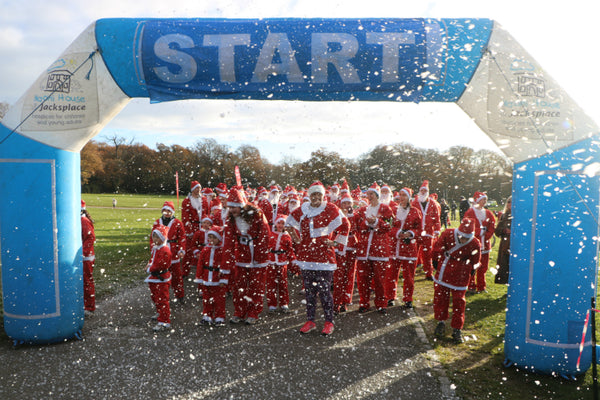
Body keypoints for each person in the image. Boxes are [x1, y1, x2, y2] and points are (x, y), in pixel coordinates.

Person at [285, 181, 350, 336]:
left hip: (324, 256)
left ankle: (329, 321)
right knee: (309, 291)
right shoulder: (303, 209)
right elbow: (288, 223)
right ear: (309, 195)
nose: (315, 197)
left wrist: (335, 242)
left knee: (325, 291)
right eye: (313, 194)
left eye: (318, 194)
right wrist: (296, 238)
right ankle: (310, 320)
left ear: (322, 195)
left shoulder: (330, 208)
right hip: (306, 256)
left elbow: (345, 225)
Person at [222, 187, 272, 325]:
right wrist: (227, 261)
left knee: (256, 285)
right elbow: (229, 240)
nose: (232, 210)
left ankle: (254, 312)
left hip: (257, 254)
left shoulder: (257, 214)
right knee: (240, 285)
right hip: (242, 255)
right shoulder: (231, 219)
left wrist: (259, 255)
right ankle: (239, 311)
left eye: (234, 207)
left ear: (241, 206)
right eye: (230, 207)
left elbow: (265, 234)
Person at [432, 218, 481, 343]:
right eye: (462, 237)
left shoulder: (475, 243)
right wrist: (436, 261)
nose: (463, 240)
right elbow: (437, 248)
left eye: (466, 238)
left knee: (459, 302)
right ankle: (441, 321)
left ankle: (457, 328)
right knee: (441, 297)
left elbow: (476, 260)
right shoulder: (448, 234)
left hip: (462, 272)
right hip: (445, 268)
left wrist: (471, 271)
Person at [355, 182, 394, 314]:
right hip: (364, 248)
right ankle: (364, 302)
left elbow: (389, 226)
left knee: (380, 279)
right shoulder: (362, 210)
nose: (369, 196)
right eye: (368, 194)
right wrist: (367, 223)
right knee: (363, 278)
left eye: (372, 194)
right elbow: (358, 226)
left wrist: (377, 222)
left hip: (379, 249)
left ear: (377, 195)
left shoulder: (385, 209)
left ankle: (381, 304)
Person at [389, 188, 422, 309]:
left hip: (409, 248)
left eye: (404, 195)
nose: (401, 198)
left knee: (409, 275)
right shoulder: (393, 211)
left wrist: (410, 233)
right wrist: (397, 232)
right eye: (400, 195)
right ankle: (390, 296)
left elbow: (419, 229)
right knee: (392, 273)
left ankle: (408, 298)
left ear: (409, 197)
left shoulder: (415, 212)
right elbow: (388, 227)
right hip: (394, 247)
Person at [151, 201, 187, 304]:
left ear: (172, 212)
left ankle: (179, 295)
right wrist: (153, 248)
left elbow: (182, 237)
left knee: (176, 275)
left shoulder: (177, 223)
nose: (167, 213)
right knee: (161, 273)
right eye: (165, 211)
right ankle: (162, 296)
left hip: (173, 251)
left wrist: (181, 249)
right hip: (160, 251)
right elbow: (152, 237)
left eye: (169, 211)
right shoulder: (157, 222)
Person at [194, 225, 228, 327]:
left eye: (214, 237)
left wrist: (224, 279)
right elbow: (200, 264)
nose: (212, 240)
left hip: (217, 279)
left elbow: (225, 266)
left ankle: (219, 317)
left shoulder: (222, 251)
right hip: (206, 279)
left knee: (219, 300)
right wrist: (199, 277)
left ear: (219, 238)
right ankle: (207, 316)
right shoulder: (205, 249)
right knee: (206, 299)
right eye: (210, 237)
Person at [464, 191, 496, 293]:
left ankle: (481, 286)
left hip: (485, 244)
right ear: (477, 200)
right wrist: (479, 231)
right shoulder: (470, 212)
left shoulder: (488, 213)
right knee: (472, 265)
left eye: (485, 200)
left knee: (484, 266)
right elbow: (466, 225)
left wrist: (486, 235)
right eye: (483, 199)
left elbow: (492, 226)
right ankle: (471, 285)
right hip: (473, 244)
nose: (484, 202)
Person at [333, 193, 358, 314]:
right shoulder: (337, 215)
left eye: (349, 203)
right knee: (339, 274)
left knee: (350, 274)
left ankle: (346, 300)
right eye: (345, 203)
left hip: (352, 246)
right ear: (341, 204)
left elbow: (360, 228)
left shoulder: (355, 215)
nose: (347, 205)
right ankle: (337, 301)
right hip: (340, 245)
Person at [412, 180, 441, 281]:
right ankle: (411, 272)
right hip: (417, 232)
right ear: (419, 192)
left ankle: (429, 273)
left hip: (428, 232)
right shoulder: (415, 202)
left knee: (428, 254)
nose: (423, 192)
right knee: (414, 253)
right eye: (422, 191)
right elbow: (411, 216)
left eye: (425, 191)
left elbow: (437, 217)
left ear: (428, 192)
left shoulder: (433, 203)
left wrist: (437, 229)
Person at [145, 224, 172, 332]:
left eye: (157, 237)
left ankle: (164, 321)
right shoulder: (156, 249)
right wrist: (149, 265)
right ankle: (160, 313)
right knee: (156, 297)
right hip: (155, 276)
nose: (155, 239)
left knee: (162, 299)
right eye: (154, 237)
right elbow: (153, 260)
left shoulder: (165, 250)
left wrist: (150, 268)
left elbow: (161, 265)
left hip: (161, 277)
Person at [266, 215, 295, 313]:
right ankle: (272, 304)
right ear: (275, 223)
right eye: (279, 223)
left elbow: (290, 251)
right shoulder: (271, 234)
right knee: (271, 284)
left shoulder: (287, 236)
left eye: (283, 223)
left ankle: (284, 303)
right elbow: (266, 247)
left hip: (282, 262)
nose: (280, 225)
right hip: (271, 262)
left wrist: (294, 261)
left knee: (283, 284)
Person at [181, 181, 209, 276]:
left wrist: (207, 225)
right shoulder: (187, 201)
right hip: (193, 227)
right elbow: (185, 217)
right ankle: (185, 271)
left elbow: (207, 213)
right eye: (197, 188)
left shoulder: (204, 200)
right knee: (189, 250)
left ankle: (202, 271)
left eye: (199, 188)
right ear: (193, 189)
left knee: (204, 248)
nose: (198, 190)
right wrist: (189, 230)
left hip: (203, 226)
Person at [81, 200, 96, 315]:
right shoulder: (80, 219)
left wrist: (83, 252)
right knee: (83, 281)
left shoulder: (84, 220)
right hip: (82, 256)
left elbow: (90, 238)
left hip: (86, 257)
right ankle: (84, 304)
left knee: (87, 281)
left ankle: (90, 306)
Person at [494, 196, 512, 285]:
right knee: (505, 267)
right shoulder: (504, 216)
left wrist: (513, 232)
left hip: (516, 245)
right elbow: (497, 231)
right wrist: (504, 230)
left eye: (512, 202)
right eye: (508, 202)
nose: (509, 204)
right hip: (505, 245)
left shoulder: (521, 216)